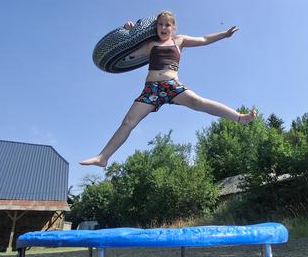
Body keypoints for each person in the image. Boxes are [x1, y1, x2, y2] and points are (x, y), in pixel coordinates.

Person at [80, 10, 257, 167]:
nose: (163, 27)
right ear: (156, 27)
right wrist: (127, 30)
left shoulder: (180, 41)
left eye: (167, 24)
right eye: (160, 24)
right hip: (151, 90)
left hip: (171, 86)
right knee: (128, 122)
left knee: (197, 102)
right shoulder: (150, 45)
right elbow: (123, 52)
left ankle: (240, 118)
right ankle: (103, 157)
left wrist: (224, 34)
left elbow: (204, 39)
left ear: (173, 27)